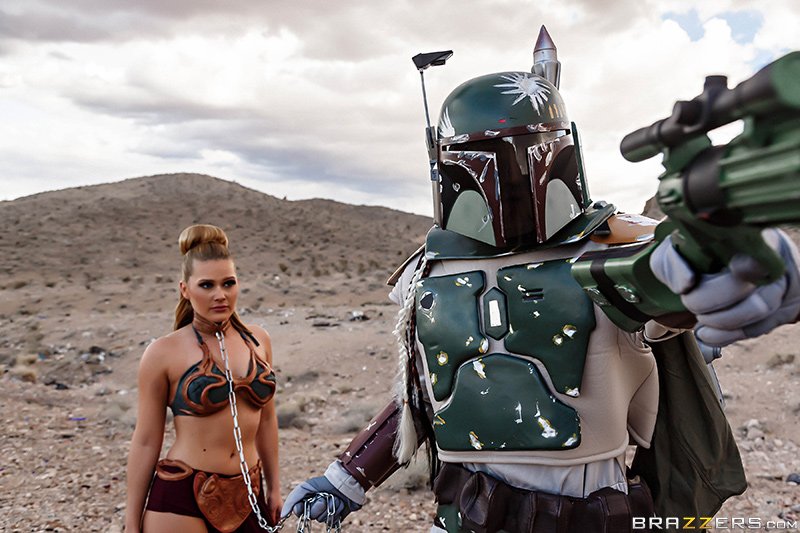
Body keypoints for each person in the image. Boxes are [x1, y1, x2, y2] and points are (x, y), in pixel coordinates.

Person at [282, 27, 800, 533]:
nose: (508, 181)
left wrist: (743, 260)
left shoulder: (613, 248)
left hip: (588, 511)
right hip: (465, 509)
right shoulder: (428, 271)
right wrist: (344, 480)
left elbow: (669, 284)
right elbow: (421, 396)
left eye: (520, 153)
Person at [125, 224, 282, 533]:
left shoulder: (258, 341)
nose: (220, 295)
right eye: (207, 285)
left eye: (228, 283)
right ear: (185, 289)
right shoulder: (162, 353)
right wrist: (131, 522)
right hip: (181, 499)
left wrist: (274, 486)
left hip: (248, 492)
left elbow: (267, 420)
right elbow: (146, 440)